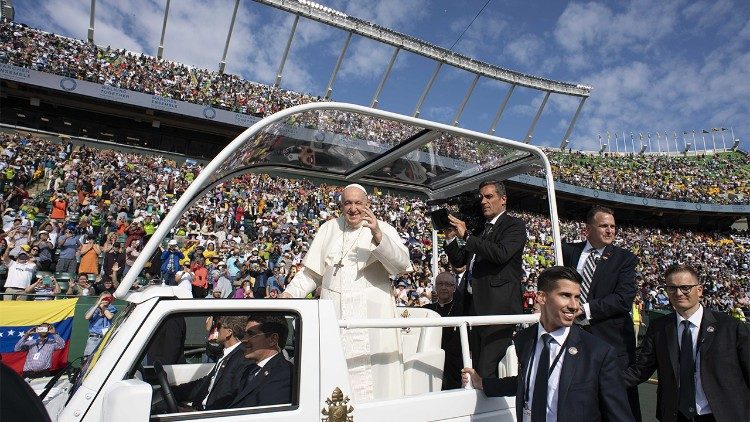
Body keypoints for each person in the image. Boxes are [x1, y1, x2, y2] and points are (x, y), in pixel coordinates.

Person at [282, 183, 412, 400]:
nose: (353, 209)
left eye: (358, 203)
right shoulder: (329, 228)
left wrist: (378, 236)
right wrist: (289, 294)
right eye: (348, 203)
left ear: (367, 204)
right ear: (341, 206)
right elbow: (312, 273)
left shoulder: (384, 228)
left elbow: (401, 265)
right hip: (336, 316)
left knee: (376, 382)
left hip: (372, 318)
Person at [462, 266, 634, 422]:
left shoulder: (598, 352)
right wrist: (482, 383)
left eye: (577, 297)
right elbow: (527, 382)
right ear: (542, 297)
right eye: (565, 296)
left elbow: (619, 416)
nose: (574, 306)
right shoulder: (523, 340)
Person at [623, 264, 750, 422]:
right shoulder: (659, 328)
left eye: (685, 287)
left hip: (723, 415)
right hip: (676, 415)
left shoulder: (730, 327)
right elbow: (640, 370)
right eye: (672, 288)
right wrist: (599, 382)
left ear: (699, 290)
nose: (678, 293)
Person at [561, 205, 640, 420]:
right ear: (588, 230)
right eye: (604, 225)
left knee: (617, 408)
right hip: (571, 340)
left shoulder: (625, 259)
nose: (610, 231)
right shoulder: (567, 252)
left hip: (611, 343)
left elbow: (623, 299)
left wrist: (583, 309)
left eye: (613, 226)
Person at [444, 180, 527, 378]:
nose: (483, 201)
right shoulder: (481, 229)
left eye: (489, 196)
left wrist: (468, 237)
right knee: (474, 365)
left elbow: (501, 254)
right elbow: (459, 262)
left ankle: (492, 407)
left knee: (488, 369)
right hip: (475, 307)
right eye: (481, 197)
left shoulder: (514, 225)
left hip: (498, 309)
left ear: (503, 199)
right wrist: (450, 238)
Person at [172, 316, 251, 411]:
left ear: (229, 332)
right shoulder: (227, 353)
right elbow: (205, 383)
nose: (215, 329)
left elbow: (225, 396)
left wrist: (198, 414)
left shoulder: (240, 357)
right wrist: (174, 391)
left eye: (218, 326)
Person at [228, 314, 293, 409]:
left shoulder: (284, 375)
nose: (244, 340)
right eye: (245, 334)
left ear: (272, 339)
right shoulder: (250, 370)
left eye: (251, 334)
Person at [423, 271, 464, 390]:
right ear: (435, 287)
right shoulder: (427, 310)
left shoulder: (462, 311)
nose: (443, 287)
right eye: (440, 284)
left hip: (453, 363)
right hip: (430, 360)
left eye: (447, 284)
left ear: (454, 288)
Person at [83, 292, 117, 356]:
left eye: (108, 298)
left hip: (106, 338)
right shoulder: (94, 309)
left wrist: (103, 307)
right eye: (104, 298)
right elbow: (87, 317)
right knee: (88, 358)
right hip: (94, 338)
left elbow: (109, 316)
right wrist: (97, 305)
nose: (106, 300)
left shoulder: (111, 308)